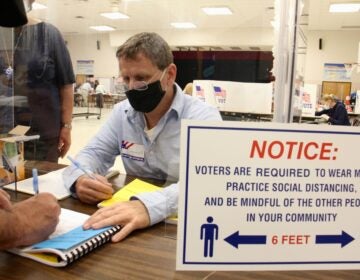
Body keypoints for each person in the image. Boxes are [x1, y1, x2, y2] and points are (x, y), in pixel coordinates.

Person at [63, 32, 222, 242]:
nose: (131, 88)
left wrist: (149, 207)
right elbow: (92, 153)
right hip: (132, 227)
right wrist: (80, 179)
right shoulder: (123, 113)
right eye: (126, 79)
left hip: (184, 229)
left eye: (141, 79)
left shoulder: (203, 118)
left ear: (170, 75)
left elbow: (208, 182)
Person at [13, 0, 75, 162]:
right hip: (5, 132)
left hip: (42, 134)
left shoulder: (49, 35)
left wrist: (66, 127)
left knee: (41, 183)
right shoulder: (3, 37)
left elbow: (66, 85)